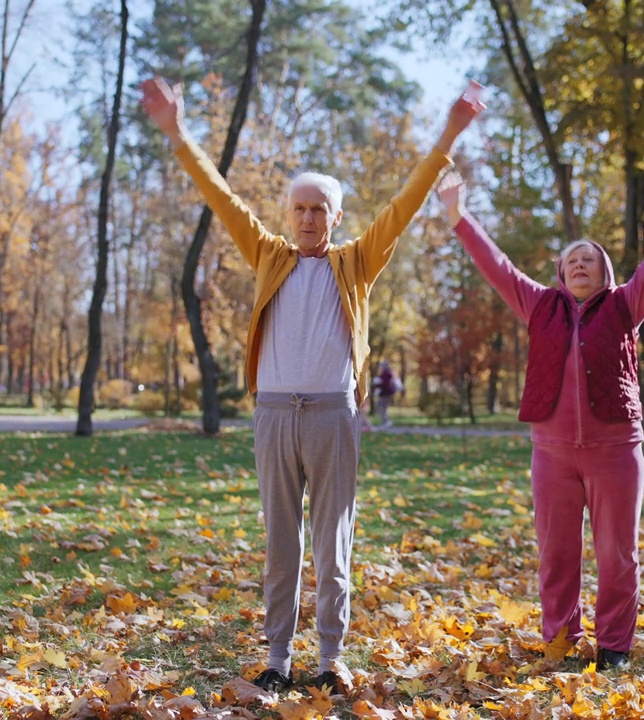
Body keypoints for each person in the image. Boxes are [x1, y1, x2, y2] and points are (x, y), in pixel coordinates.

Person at [140, 76, 484, 693]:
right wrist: (179, 133)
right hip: (275, 415)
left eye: (318, 208)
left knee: (333, 545)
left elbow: (404, 204)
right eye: (298, 208)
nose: (306, 218)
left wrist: (451, 132)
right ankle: (277, 657)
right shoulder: (268, 255)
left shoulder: (356, 263)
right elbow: (221, 199)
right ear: (287, 215)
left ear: (335, 216)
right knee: (281, 543)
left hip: (332, 416)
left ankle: (330, 657)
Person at [436, 159, 644, 670]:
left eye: (589, 260)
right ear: (560, 274)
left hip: (615, 454)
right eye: (571, 261)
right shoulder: (539, 306)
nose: (580, 265)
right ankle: (560, 640)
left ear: (605, 272)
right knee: (556, 556)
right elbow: (497, 267)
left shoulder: (626, 304)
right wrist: (459, 215)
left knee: (617, 556)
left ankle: (614, 647)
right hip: (552, 456)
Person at [373, 360, 400, 427]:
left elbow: (385, 384)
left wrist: (378, 383)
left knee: (382, 407)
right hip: (384, 393)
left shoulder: (387, 373)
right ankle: (384, 421)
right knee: (381, 407)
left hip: (385, 394)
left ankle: (386, 421)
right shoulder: (386, 373)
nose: (381, 367)